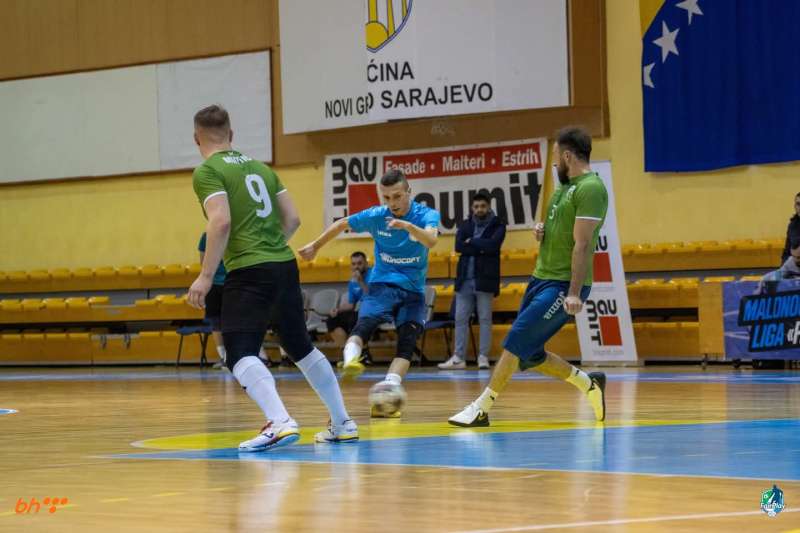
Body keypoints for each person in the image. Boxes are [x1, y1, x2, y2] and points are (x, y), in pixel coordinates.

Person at [187, 104, 357, 449]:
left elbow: (221, 221)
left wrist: (205, 276)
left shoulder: (207, 171)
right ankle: (342, 421)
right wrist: (270, 245)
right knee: (300, 346)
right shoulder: (261, 168)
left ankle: (279, 421)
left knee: (238, 352)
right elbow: (293, 219)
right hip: (283, 264)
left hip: (249, 270)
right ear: (231, 134)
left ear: (196, 138)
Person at [449, 127, 609, 427]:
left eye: (556, 155)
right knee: (530, 355)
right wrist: (542, 231)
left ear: (567, 156)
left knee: (515, 341)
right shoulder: (563, 188)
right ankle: (588, 383)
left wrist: (574, 293)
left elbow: (583, 244)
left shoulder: (591, 188)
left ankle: (482, 408)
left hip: (562, 284)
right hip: (540, 277)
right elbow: (562, 231)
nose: (554, 162)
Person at [299, 169, 441, 418]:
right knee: (363, 325)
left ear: (408, 192)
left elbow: (431, 240)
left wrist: (408, 226)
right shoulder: (377, 216)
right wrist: (316, 245)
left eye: (397, 196)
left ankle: (390, 388)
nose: (392, 203)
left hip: (413, 291)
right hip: (382, 285)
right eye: (386, 197)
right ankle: (351, 360)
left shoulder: (426, 215)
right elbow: (343, 223)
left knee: (407, 342)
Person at [439, 191, 506, 370]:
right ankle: (458, 358)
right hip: (464, 279)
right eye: (476, 206)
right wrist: (481, 246)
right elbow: (459, 246)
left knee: (485, 319)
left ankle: (483, 357)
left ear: (488, 207)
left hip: (485, 279)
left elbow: (493, 246)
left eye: (483, 206)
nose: (479, 209)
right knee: (460, 318)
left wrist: (472, 242)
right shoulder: (465, 224)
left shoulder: (498, 224)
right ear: (472, 208)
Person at [326, 252, 372, 362]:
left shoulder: (374, 275)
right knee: (332, 319)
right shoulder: (353, 281)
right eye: (354, 264)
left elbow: (372, 297)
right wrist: (337, 310)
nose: (356, 267)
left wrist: (360, 281)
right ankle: (347, 353)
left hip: (377, 310)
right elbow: (351, 305)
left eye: (359, 263)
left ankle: (364, 353)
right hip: (363, 311)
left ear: (366, 263)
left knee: (355, 320)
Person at [781, 193, 800, 264]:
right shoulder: (792, 225)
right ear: (795, 206)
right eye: (798, 204)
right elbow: (787, 251)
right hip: (793, 264)